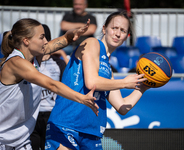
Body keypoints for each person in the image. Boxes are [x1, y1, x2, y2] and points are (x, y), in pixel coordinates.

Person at [0, 18, 99, 150]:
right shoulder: (15, 62)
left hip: (20, 141)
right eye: (42, 37)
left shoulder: (34, 56)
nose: (46, 41)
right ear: (26, 41)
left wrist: (70, 35)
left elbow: (58, 42)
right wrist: (82, 98)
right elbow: (52, 85)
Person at [45, 11, 150, 150]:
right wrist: (124, 82)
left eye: (123, 31)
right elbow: (92, 82)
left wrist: (143, 87)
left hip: (91, 133)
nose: (118, 34)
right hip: (67, 125)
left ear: (126, 37)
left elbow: (122, 106)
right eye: (114, 28)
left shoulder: (108, 70)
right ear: (104, 29)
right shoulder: (92, 43)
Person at [30, 24, 67, 150]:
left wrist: (62, 53)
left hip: (51, 116)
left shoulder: (59, 63)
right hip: (31, 116)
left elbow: (66, 87)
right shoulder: (29, 63)